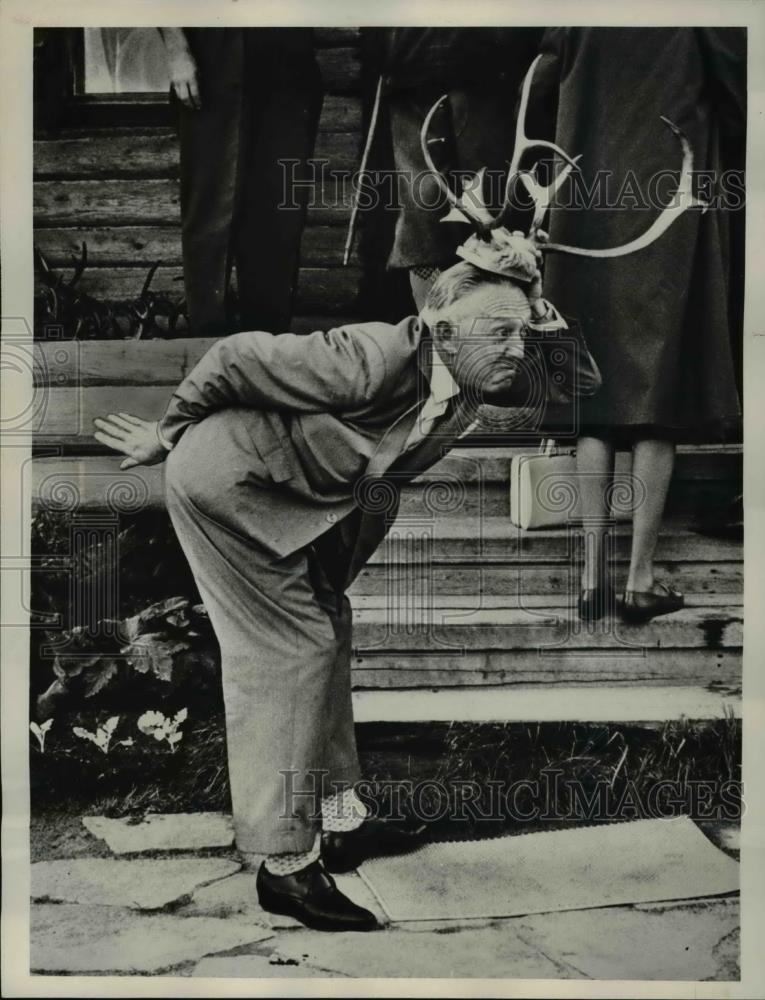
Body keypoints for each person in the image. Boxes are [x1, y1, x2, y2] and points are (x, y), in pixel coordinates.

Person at [93, 257, 565, 931]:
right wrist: (165, 434)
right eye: (500, 332)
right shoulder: (369, 357)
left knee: (327, 629)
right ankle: (284, 866)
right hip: (229, 488)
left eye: (522, 334)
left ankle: (340, 821)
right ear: (442, 330)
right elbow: (234, 358)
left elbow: (582, 385)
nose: (515, 349)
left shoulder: (481, 370)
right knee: (289, 651)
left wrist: (538, 311)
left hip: (304, 501)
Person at [525, 27, 744, 622]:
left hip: (586, 201)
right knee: (659, 390)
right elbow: (742, 89)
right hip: (668, 194)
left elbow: (540, 87)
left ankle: (593, 578)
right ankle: (640, 579)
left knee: (593, 391)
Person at [158, 27, 322, 337]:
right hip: (213, 54)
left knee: (279, 212)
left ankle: (266, 347)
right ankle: (208, 345)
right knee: (212, 208)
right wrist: (177, 50)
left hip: (285, 55)